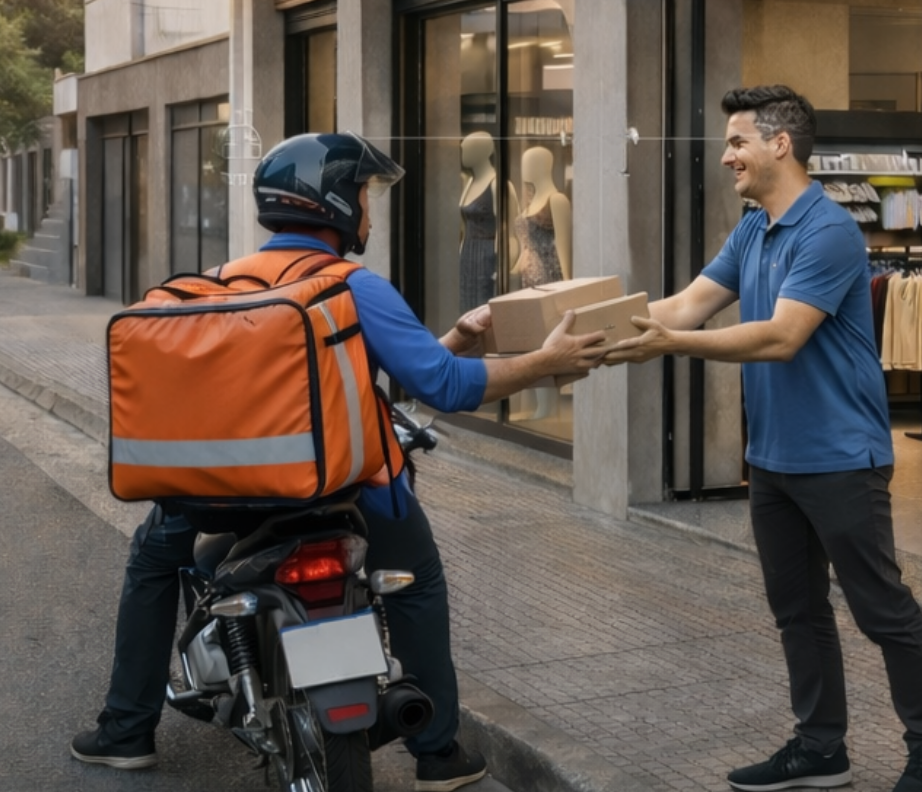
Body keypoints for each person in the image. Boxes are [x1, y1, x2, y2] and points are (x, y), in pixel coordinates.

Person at [70, 132, 607, 792]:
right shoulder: (354, 286)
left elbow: (343, 376)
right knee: (417, 583)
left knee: (153, 561)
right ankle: (438, 754)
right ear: (335, 203)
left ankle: (125, 731)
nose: (370, 211)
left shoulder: (217, 285)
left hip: (212, 496)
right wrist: (546, 363)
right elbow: (444, 388)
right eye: (365, 195)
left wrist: (452, 339)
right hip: (344, 492)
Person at [605, 86, 922, 792]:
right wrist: (597, 329)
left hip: (841, 457)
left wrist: (671, 344)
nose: (727, 157)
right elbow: (687, 304)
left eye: (737, 142)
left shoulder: (828, 231)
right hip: (771, 459)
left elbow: (781, 336)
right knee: (796, 610)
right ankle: (822, 746)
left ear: (780, 144)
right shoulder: (753, 229)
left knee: (880, 608)